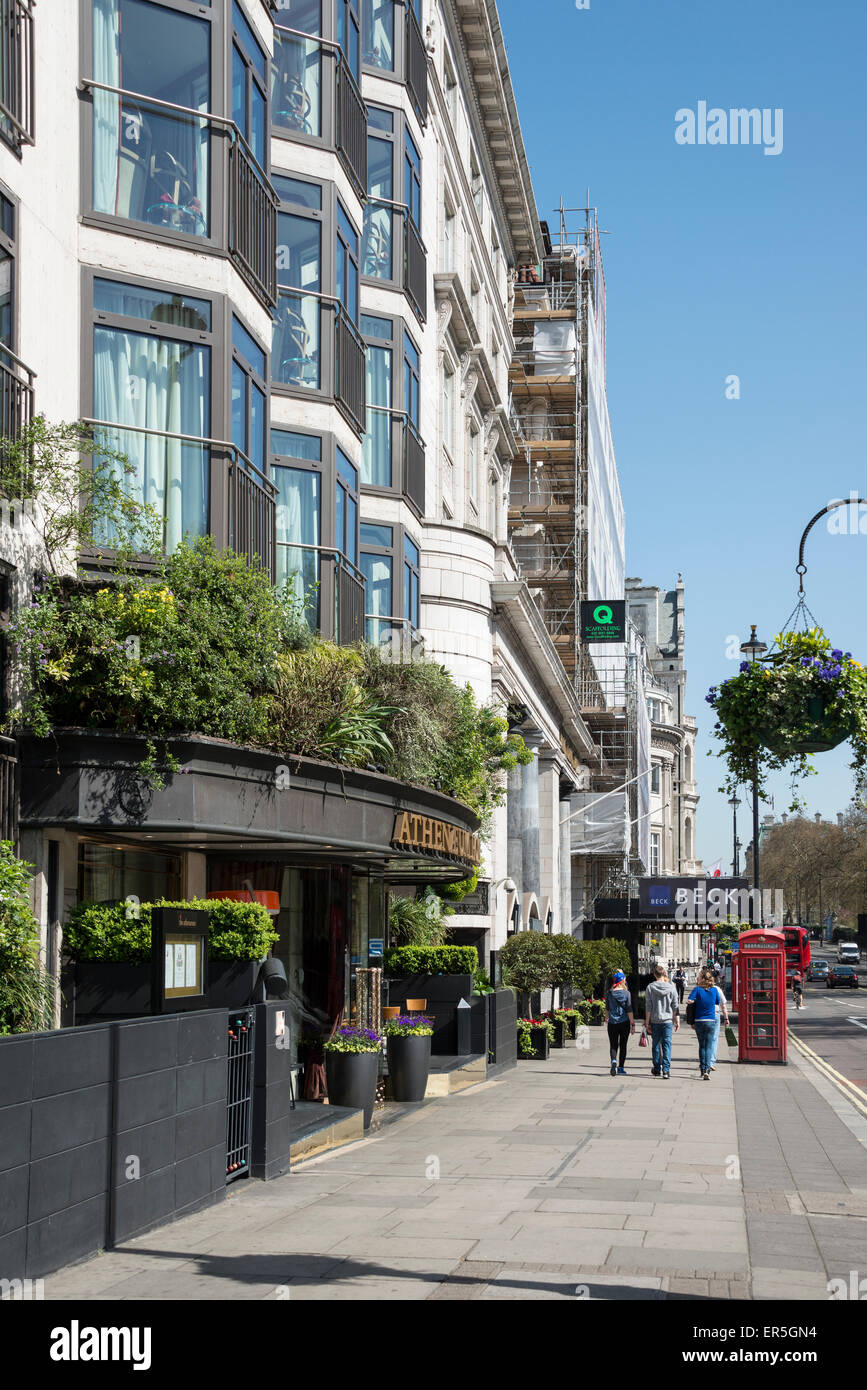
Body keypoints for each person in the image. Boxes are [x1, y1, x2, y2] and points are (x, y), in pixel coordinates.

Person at [644, 963, 680, 1079]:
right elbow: (675, 1006)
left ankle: (656, 1068)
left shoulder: (650, 987)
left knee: (655, 1045)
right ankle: (666, 1070)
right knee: (667, 1045)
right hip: (668, 1021)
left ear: (655, 974)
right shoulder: (671, 987)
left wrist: (647, 1022)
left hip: (655, 1020)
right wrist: (676, 1020)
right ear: (663, 974)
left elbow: (648, 1006)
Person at [689, 967, 721, 1079]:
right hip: (711, 1020)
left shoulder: (697, 989)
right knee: (709, 1046)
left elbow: (689, 1001)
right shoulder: (714, 990)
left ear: (702, 979)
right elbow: (717, 1002)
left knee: (702, 1046)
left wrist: (695, 1002)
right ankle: (708, 1069)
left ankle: (702, 1070)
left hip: (699, 1020)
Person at [605, 970, 635, 1076]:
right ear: (622, 981)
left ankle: (613, 1060)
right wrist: (632, 1024)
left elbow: (607, 1009)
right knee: (623, 1045)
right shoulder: (627, 994)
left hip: (612, 1023)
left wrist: (607, 1018)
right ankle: (621, 1068)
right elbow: (629, 1009)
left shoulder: (609, 993)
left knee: (613, 1045)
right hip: (624, 1022)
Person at [709, 975, 731, 1070]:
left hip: (703, 1017)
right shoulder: (717, 989)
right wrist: (726, 1019)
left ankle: (705, 1061)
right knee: (714, 1039)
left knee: (704, 1040)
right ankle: (711, 1062)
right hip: (715, 1015)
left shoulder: (700, 989)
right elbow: (724, 1006)